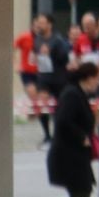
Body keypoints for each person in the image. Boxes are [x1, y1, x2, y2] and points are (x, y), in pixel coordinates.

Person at [41, 61, 99, 197]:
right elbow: (64, 120)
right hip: (67, 156)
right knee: (82, 194)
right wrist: (82, 136)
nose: (98, 83)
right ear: (88, 78)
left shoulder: (78, 94)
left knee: (81, 194)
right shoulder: (72, 94)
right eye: (97, 79)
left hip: (76, 155)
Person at [32, 14, 71, 145]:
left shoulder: (57, 40)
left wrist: (51, 53)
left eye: (42, 23)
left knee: (59, 108)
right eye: (38, 23)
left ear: (49, 25)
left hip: (59, 78)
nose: (39, 25)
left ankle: (58, 134)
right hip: (44, 77)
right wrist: (35, 58)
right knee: (42, 105)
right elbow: (35, 54)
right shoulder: (37, 39)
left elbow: (64, 58)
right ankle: (47, 135)